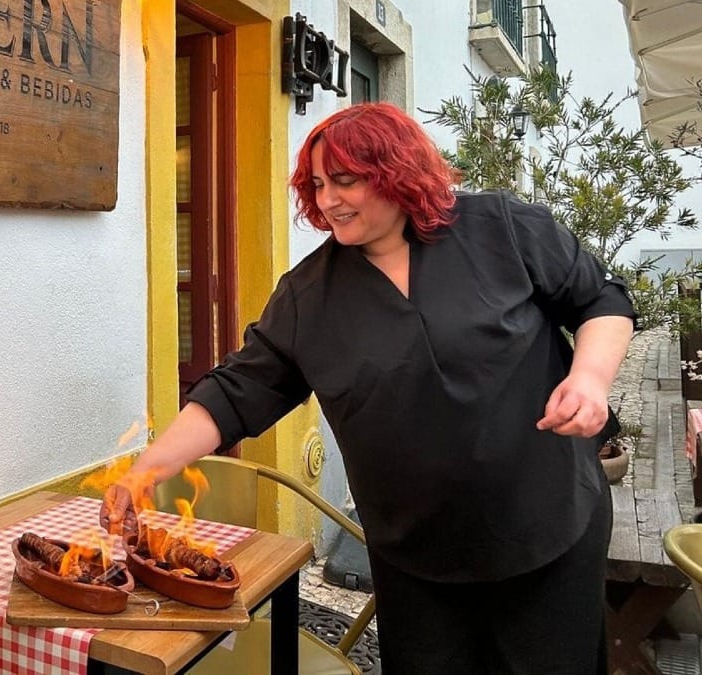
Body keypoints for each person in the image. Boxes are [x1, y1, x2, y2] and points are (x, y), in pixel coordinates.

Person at [102, 102, 636, 674]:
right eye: (317, 184)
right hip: (416, 555)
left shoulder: (503, 229)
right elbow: (235, 392)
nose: (328, 199)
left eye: (346, 180)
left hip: (548, 525)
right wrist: (144, 473)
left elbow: (601, 299)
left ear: (397, 171)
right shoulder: (310, 296)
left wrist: (589, 379)